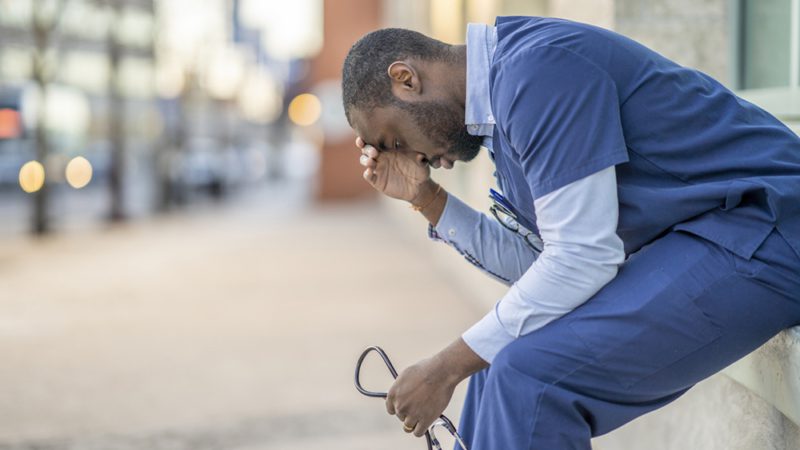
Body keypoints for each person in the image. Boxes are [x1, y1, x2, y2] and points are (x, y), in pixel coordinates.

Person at [341, 16, 800, 449]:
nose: (415, 159)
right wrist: (428, 200)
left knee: (529, 381)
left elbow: (582, 259)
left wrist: (446, 367)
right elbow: (546, 269)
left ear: (406, 78)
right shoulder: (503, 104)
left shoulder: (537, 72)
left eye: (395, 141)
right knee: (498, 360)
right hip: (717, 233)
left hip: (769, 221)